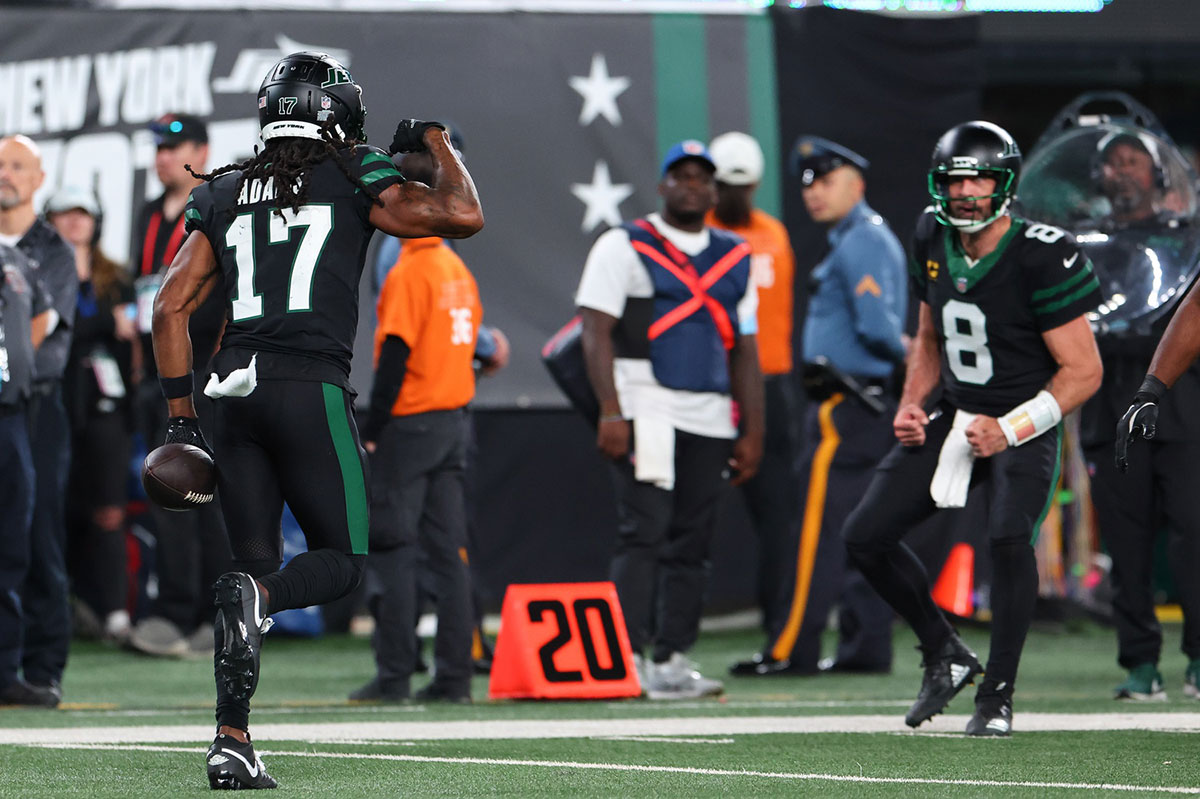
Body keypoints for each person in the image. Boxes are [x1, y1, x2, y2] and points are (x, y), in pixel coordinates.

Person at [151, 51, 482, 789]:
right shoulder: (354, 170)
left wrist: (180, 418)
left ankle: (231, 736)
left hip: (228, 389)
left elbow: (169, 305)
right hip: (308, 385)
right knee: (339, 560)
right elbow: (463, 213)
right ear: (336, 115)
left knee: (251, 564)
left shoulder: (226, 188)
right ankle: (262, 601)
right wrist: (435, 143)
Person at [841, 121, 1103, 736]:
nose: (966, 193)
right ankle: (944, 651)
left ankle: (998, 697)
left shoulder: (1042, 251)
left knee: (1010, 538)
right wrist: (912, 403)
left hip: (1023, 418)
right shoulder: (932, 232)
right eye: (956, 181)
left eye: (979, 178)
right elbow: (929, 335)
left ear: (1005, 182)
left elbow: (1083, 371)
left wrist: (1010, 428)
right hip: (957, 413)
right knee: (864, 536)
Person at [576, 139, 764, 699]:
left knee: (693, 540)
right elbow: (594, 331)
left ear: (715, 189)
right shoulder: (623, 244)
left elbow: (745, 349)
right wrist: (610, 410)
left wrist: (754, 429)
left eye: (701, 177)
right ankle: (625, 657)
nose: (691, 185)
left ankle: (672, 659)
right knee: (646, 532)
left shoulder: (735, 254)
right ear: (661, 185)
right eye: (680, 176)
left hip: (709, 414)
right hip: (646, 405)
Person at [732, 136, 906, 677]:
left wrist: (906, 356)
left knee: (815, 535)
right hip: (862, 404)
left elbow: (880, 330)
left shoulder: (861, 241)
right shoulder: (858, 238)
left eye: (826, 180)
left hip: (845, 404)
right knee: (862, 532)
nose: (813, 192)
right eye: (807, 183)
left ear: (857, 183)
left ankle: (792, 648)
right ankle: (866, 646)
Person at [351, 147, 503, 704]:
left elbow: (394, 355)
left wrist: (373, 425)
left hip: (412, 423)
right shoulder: (454, 268)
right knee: (447, 554)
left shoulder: (409, 269)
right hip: (454, 423)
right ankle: (454, 679)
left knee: (393, 548)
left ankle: (394, 675)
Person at [1095, 130, 1200, 701]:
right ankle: (1139, 663)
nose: (1122, 170)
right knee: (1125, 544)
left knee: (1195, 533)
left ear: (1158, 174)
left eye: (1133, 160)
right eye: (1112, 162)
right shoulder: (1083, 243)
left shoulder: (1188, 237)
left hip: (1185, 407)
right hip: (1112, 401)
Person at [128, 113, 233, 658]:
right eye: (159, 148)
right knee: (167, 491)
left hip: (202, 375)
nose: (163, 157)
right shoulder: (148, 212)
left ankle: (213, 615)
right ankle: (173, 608)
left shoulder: (217, 205)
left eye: (175, 147)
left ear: (202, 149)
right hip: (156, 374)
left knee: (206, 493)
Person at [701, 132, 802, 677]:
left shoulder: (770, 235)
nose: (735, 194)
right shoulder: (712, 235)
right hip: (716, 383)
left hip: (765, 384)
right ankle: (671, 635)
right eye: (728, 185)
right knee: (689, 512)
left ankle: (780, 632)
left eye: (740, 185)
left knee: (777, 519)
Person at [0, 135, 77, 707]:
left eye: (17, 165)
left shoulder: (49, 247)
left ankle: (43, 664)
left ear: (38, 176)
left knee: (38, 532)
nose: (6, 174)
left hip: (34, 403)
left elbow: (43, 328)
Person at [45, 186, 137, 644]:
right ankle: (64, 606)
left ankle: (115, 609)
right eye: (65, 214)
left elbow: (131, 337)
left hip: (105, 406)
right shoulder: (36, 272)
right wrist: (105, 325)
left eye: (82, 214)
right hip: (54, 400)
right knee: (54, 507)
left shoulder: (115, 276)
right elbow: (53, 331)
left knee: (108, 510)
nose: (75, 222)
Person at [0, 242, 56, 707]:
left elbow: (44, 313)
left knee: (11, 547)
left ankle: (3, 672)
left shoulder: (16, 258)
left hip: (11, 413)